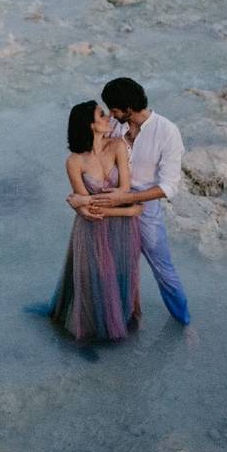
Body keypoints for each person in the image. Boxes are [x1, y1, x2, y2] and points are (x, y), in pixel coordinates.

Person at [68, 78, 191, 325]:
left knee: (163, 270)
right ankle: (121, 319)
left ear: (128, 108)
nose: (110, 114)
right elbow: (88, 156)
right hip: (107, 204)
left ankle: (184, 322)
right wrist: (75, 199)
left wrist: (128, 199)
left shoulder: (167, 131)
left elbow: (169, 186)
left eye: (113, 109)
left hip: (144, 209)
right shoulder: (113, 125)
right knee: (115, 269)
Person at [50, 100, 143, 341]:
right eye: (101, 115)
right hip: (92, 229)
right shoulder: (74, 161)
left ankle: (120, 321)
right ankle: (90, 332)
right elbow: (86, 211)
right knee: (94, 277)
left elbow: (124, 190)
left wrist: (82, 201)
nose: (108, 117)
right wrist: (127, 212)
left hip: (123, 229)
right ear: (90, 125)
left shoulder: (118, 147)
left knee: (122, 272)